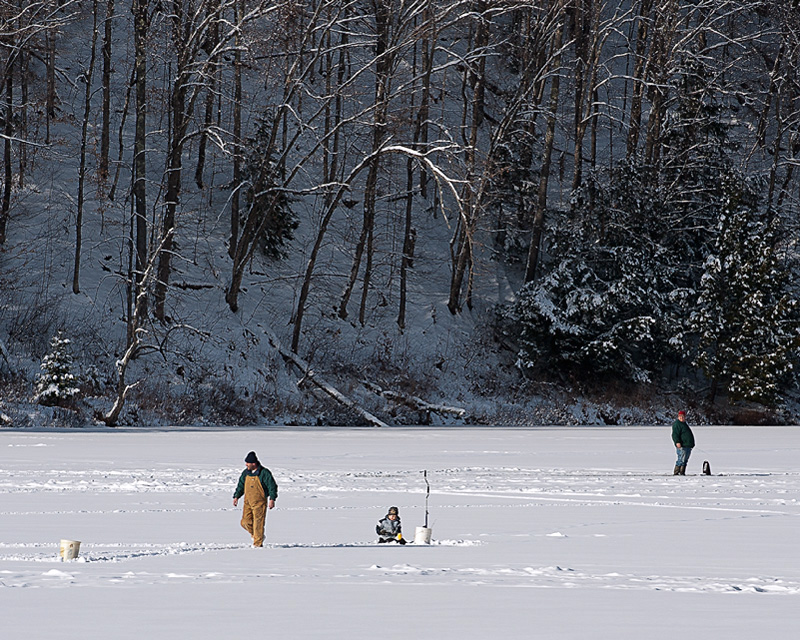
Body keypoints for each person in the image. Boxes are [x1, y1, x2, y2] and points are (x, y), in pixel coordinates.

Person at [233, 451, 278, 547]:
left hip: (259, 502)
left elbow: (272, 486)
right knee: (245, 522)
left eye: (248, 463)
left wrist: (272, 499)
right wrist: (236, 496)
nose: (246, 465)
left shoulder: (264, 473)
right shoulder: (246, 473)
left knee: (258, 523)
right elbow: (241, 485)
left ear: (254, 463)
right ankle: (257, 535)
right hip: (247, 502)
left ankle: (257, 544)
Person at [671, 410, 695, 476]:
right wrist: (677, 442)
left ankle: (682, 472)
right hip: (682, 446)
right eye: (680, 416)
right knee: (681, 459)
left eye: (683, 416)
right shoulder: (677, 424)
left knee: (685, 460)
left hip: (687, 445)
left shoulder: (684, 424)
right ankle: (677, 472)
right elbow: (675, 434)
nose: (681, 417)